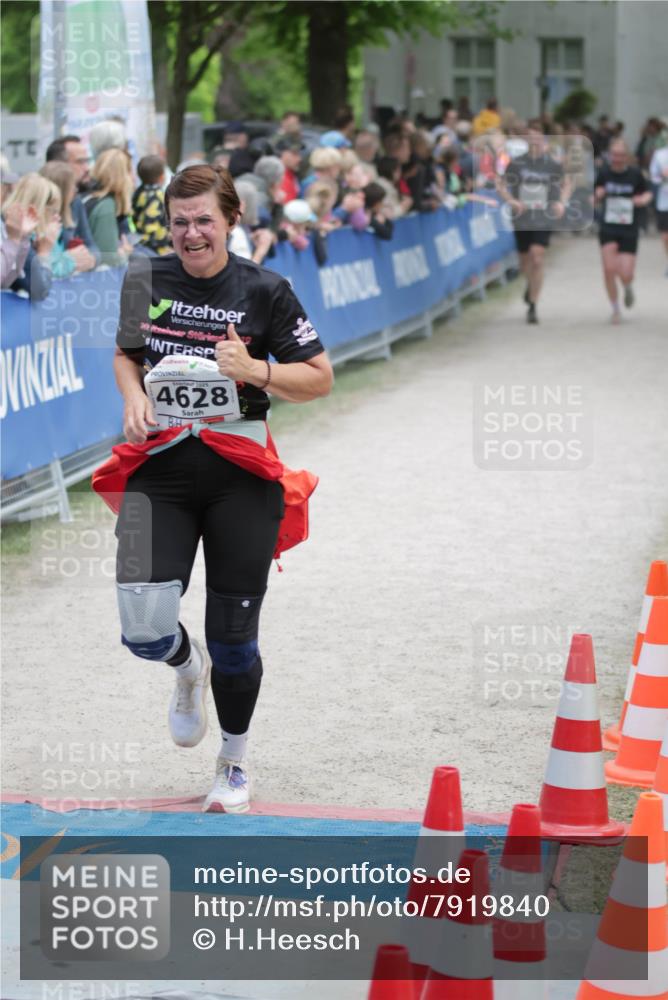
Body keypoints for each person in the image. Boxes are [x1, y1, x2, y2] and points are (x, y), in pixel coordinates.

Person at [92, 164, 333, 813]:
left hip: (240, 475)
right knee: (142, 625)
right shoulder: (146, 277)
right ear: (166, 223)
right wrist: (134, 394)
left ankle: (232, 762)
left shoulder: (266, 289)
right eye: (180, 221)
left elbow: (320, 377)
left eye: (204, 220)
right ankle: (184, 667)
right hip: (160, 469)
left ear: (230, 221)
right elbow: (124, 352)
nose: (191, 233)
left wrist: (255, 368)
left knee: (233, 635)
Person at [498, 120, 570, 324]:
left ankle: (533, 305)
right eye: (531, 137)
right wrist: (512, 201)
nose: (535, 141)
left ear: (543, 139)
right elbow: (501, 185)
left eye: (538, 137)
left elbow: (566, 185)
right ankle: (530, 286)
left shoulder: (552, 164)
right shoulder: (516, 163)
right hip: (522, 218)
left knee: (537, 257)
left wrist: (561, 203)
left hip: (543, 217)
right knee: (525, 262)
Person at [595, 139, 653, 322]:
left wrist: (642, 200)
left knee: (626, 272)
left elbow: (648, 193)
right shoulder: (603, 173)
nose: (617, 158)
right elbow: (595, 194)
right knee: (609, 269)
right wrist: (598, 195)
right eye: (614, 155)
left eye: (621, 155)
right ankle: (615, 309)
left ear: (627, 156)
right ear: (610, 155)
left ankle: (627, 286)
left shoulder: (635, 174)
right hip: (608, 226)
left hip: (629, 227)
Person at [3, 173, 61, 300]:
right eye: (53, 210)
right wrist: (44, 254)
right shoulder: (14, 232)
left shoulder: (31, 238)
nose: (57, 217)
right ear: (38, 208)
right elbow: (39, 290)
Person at [39, 161, 97, 275]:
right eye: (72, 185)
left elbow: (92, 246)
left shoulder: (75, 205)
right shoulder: (38, 225)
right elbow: (47, 269)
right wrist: (70, 260)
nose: (76, 190)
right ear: (60, 190)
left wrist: (91, 260)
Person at [83, 148, 134, 267]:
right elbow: (109, 260)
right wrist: (125, 253)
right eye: (130, 171)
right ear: (123, 176)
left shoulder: (89, 196)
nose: (133, 177)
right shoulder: (106, 207)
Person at [132, 155, 172, 256]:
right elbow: (152, 225)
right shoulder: (158, 196)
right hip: (157, 246)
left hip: (139, 239)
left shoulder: (139, 192)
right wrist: (165, 239)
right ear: (162, 177)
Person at [649, 139, 668, 273]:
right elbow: (653, 176)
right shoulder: (660, 155)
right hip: (664, 201)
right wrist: (662, 175)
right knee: (665, 236)